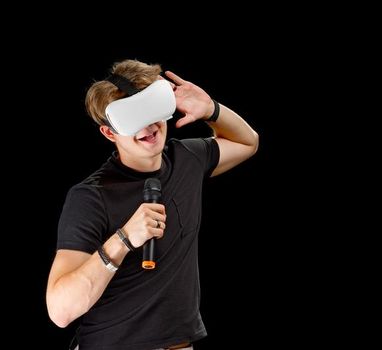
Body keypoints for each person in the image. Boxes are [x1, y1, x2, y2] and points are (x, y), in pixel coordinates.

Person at [45, 59, 259, 349]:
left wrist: (211, 110)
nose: (148, 125)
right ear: (109, 133)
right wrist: (123, 239)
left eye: (151, 109)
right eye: (133, 117)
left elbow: (248, 142)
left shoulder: (188, 159)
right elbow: (60, 311)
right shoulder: (90, 196)